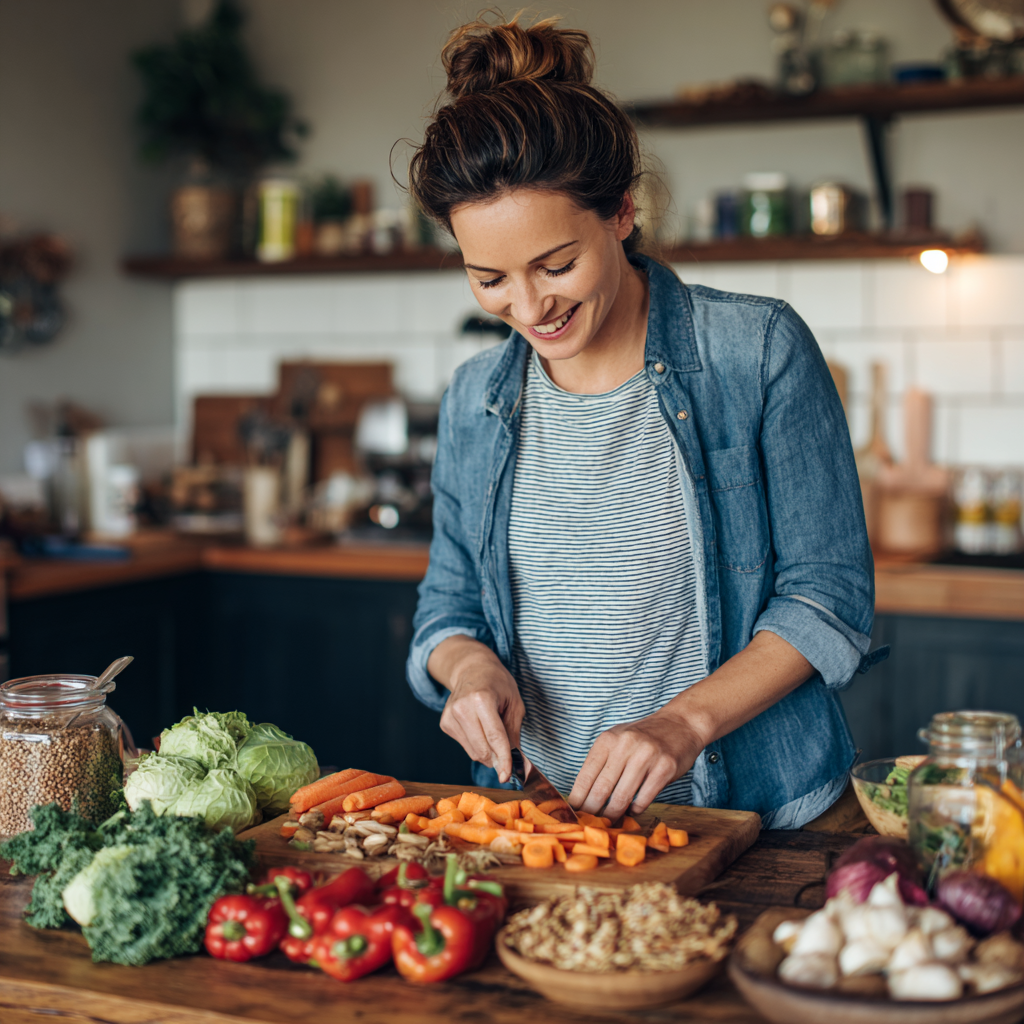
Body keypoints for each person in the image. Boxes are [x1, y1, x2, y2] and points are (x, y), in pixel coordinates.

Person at [403, 15, 884, 828]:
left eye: (557, 265)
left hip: (757, 816)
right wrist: (469, 670)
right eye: (489, 278)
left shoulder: (756, 350)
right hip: (542, 821)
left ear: (622, 212)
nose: (528, 307)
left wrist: (682, 724)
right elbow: (447, 607)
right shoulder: (475, 397)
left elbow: (827, 600)